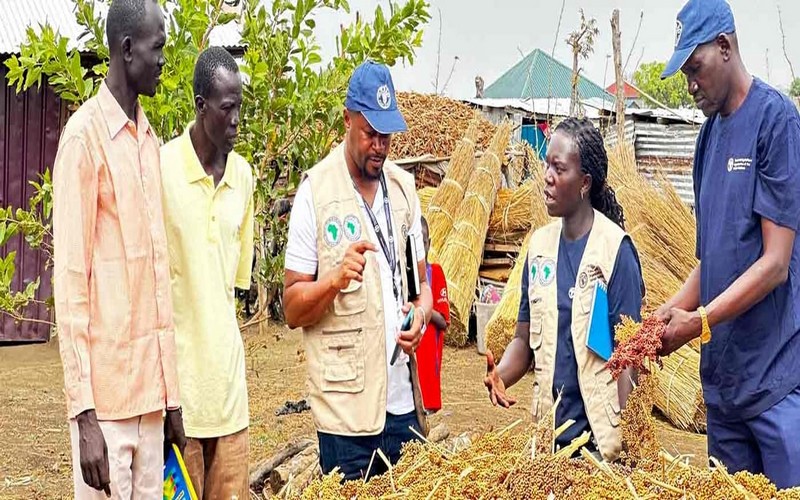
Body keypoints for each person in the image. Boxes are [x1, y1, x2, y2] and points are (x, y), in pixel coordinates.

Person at [656, 0, 800, 487]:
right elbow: (711, 260)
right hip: (723, 390)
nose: (690, 85)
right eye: (684, 75)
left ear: (725, 46)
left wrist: (696, 323)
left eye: (694, 69)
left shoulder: (776, 121)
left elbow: (776, 262)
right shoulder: (706, 139)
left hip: (775, 385)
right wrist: (665, 314)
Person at [52, 0, 185, 497]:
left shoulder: (149, 141)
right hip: (104, 413)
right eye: (158, 48)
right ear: (127, 50)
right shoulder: (83, 141)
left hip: (151, 407)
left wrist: (171, 401)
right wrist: (83, 414)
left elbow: (155, 282)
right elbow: (70, 285)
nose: (163, 59)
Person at [283, 61, 433, 481]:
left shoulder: (403, 190)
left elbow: (423, 287)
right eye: (370, 133)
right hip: (345, 418)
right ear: (347, 119)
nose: (380, 147)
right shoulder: (316, 191)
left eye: (386, 136)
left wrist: (419, 315)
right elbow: (292, 308)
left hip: (402, 409)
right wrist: (332, 280)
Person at [483, 117, 644, 462]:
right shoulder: (539, 248)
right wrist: (502, 376)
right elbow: (523, 341)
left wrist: (630, 449)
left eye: (559, 168)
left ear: (585, 182)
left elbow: (629, 358)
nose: (548, 177)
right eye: (547, 165)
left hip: (600, 449)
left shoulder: (615, 252)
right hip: (548, 446)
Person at [159, 46, 254, 498]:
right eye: (226, 108)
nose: (236, 119)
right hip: (178, 400)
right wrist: (161, 398)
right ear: (201, 107)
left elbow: (233, 286)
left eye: (240, 106)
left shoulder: (244, 178)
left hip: (230, 396)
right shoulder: (161, 169)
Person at [416, 217, 449, 412]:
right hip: (411, 353)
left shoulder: (435, 273)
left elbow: (444, 321)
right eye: (417, 241)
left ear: (430, 243)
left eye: (424, 241)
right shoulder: (404, 274)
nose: (421, 246)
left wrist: (423, 309)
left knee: (428, 408)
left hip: (429, 353)